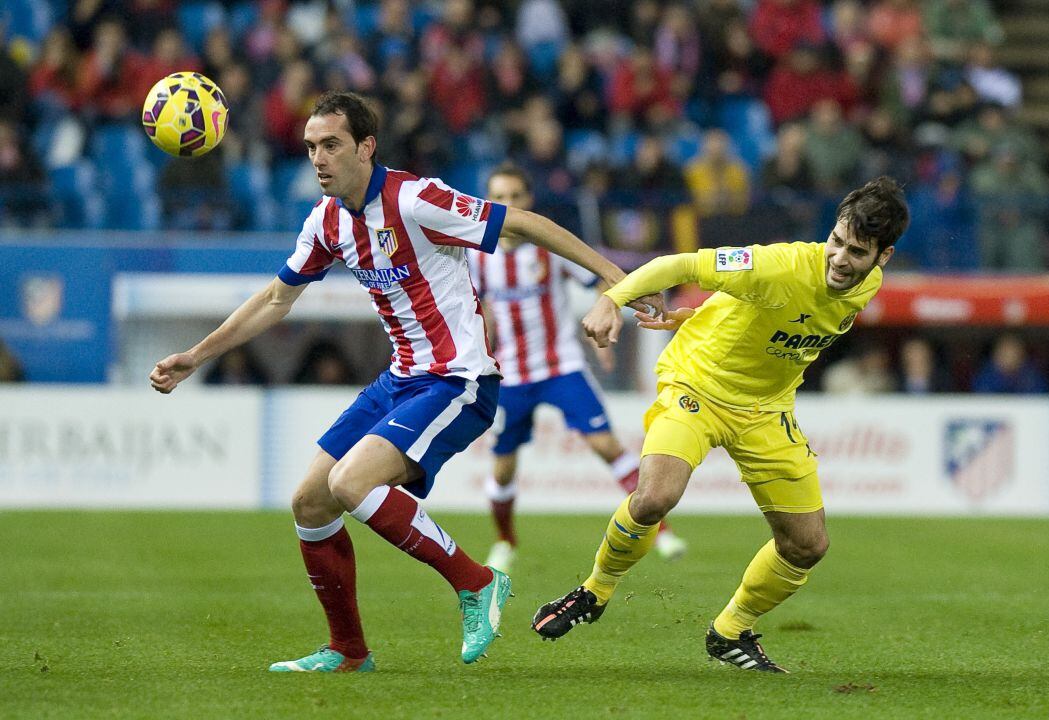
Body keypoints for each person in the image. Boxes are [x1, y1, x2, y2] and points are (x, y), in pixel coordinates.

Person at [150, 91, 656, 674]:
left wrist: (618, 283)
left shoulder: (417, 200)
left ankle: (478, 583)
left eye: (332, 145)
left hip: (459, 381)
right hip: (400, 379)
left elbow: (525, 223)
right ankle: (348, 651)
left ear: (366, 147)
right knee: (310, 502)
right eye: (311, 146)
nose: (318, 158)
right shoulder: (327, 221)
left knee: (349, 482)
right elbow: (275, 298)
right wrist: (197, 355)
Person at [531, 177, 909, 673]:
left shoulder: (869, 286)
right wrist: (610, 300)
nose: (839, 259)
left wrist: (704, 314)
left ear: (883, 257)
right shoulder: (778, 263)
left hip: (767, 408)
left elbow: (776, 318)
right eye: (835, 241)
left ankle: (731, 631)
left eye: (856, 252)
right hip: (697, 386)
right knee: (654, 498)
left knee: (807, 545)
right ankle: (594, 591)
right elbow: (680, 264)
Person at [469, 163, 687, 574]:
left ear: (528, 200)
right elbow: (477, 310)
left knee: (607, 446)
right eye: (500, 196)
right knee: (503, 464)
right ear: (488, 201)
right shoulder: (479, 259)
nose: (508, 204)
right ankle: (504, 541)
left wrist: (608, 318)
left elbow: (602, 283)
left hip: (562, 365)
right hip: (510, 375)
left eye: (516, 196)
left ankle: (661, 531)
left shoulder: (550, 250)